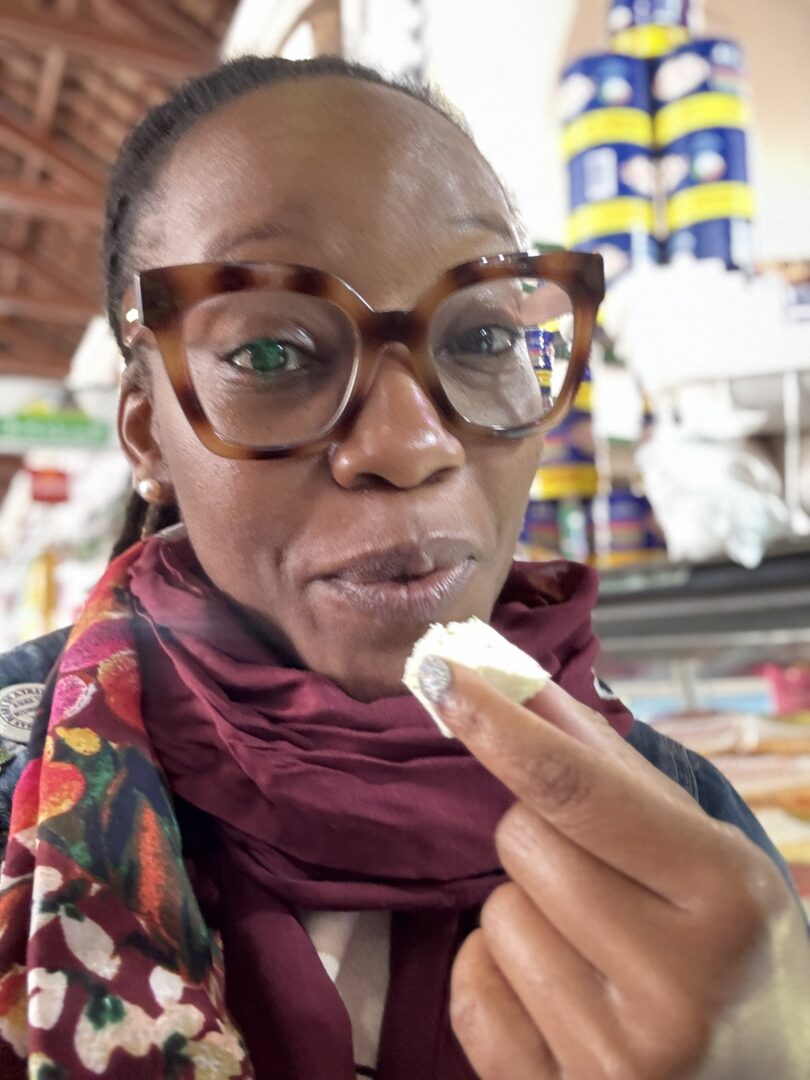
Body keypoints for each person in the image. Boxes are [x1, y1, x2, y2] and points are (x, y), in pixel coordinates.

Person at [0, 55, 807, 1080]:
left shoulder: (682, 840)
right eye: (271, 354)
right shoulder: (16, 785)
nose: (410, 441)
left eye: (479, 336)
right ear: (146, 433)